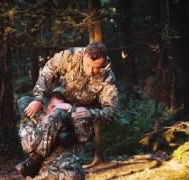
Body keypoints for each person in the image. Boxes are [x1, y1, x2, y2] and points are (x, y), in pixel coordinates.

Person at [19, 42, 119, 179]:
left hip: (80, 118)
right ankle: (36, 149)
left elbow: (112, 111)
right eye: (88, 65)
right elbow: (48, 70)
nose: (91, 71)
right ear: (84, 55)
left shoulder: (107, 77)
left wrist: (92, 113)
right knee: (24, 102)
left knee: (58, 115)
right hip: (60, 102)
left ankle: (36, 159)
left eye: (96, 68)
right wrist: (38, 98)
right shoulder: (71, 55)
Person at [16, 92, 75, 177]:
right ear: (45, 107)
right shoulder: (34, 120)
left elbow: (85, 136)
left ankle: (32, 162)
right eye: (53, 107)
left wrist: (71, 109)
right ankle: (32, 162)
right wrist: (45, 122)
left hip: (62, 165)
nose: (56, 112)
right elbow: (28, 146)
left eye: (60, 108)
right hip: (41, 169)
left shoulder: (67, 119)